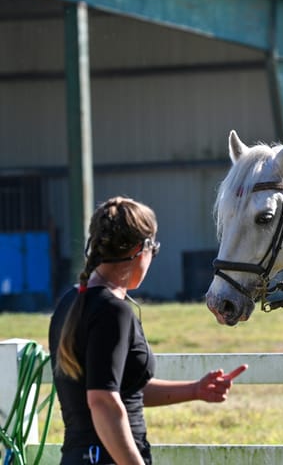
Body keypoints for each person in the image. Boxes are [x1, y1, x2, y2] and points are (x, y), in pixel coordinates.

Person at [49, 196, 247, 465]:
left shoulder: (69, 303)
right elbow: (103, 401)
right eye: (154, 248)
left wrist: (195, 390)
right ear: (142, 248)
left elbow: (120, 389)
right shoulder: (112, 311)